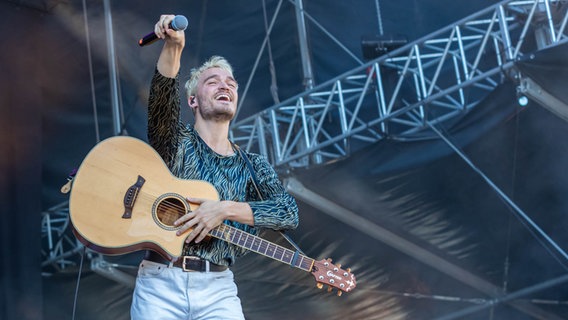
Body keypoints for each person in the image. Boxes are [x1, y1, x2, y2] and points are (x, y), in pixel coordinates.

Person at [129, 14, 300, 320]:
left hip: (219, 287)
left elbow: (288, 211)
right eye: (213, 82)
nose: (225, 86)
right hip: (159, 282)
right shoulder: (176, 141)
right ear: (193, 100)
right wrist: (174, 48)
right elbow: (161, 104)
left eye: (230, 83)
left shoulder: (253, 165)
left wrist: (224, 209)